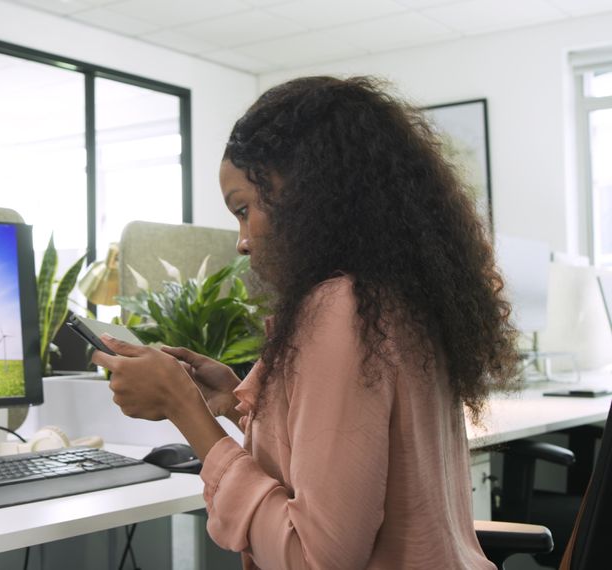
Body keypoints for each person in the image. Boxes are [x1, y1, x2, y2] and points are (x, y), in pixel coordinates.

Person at [91, 76, 519, 569]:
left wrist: (184, 410)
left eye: (244, 209)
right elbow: (348, 453)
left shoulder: (342, 308)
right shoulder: (392, 299)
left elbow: (313, 558)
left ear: (306, 196)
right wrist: (233, 402)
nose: (241, 241)